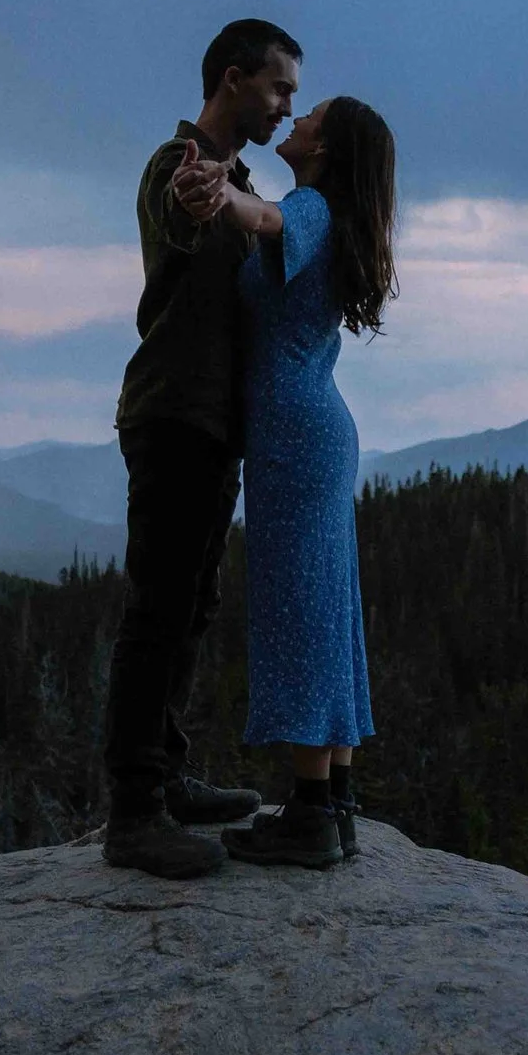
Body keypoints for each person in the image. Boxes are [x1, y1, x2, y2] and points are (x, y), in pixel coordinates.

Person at [100, 18, 303, 879]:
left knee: (191, 607)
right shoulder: (175, 167)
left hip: (216, 422)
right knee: (158, 609)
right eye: (277, 89)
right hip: (172, 412)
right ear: (231, 78)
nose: (286, 108)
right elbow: (178, 230)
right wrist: (194, 208)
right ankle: (134, 812)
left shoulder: (242, 180)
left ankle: (170, 777)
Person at [174, 95, 396, 869]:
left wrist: (221, 191)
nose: (295, 122)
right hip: (317, 428)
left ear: (326, 150)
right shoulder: (333, 214)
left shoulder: (309, 207)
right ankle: (331, 802)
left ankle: (307, 816)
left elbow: (265, 220)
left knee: (302, 609)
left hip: (295, 436)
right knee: (328, 606)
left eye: (311, 120)